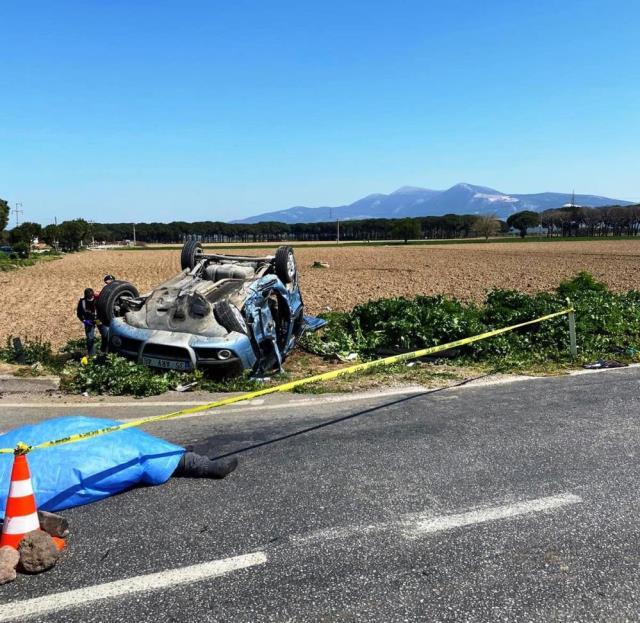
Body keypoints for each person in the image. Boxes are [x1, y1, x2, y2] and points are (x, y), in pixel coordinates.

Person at [76, 287, 108, 356]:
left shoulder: (98, 300)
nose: (90, 297)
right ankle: (92, 355)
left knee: (105, 334)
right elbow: (79, 313)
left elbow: (105, 309)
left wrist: (103, 319)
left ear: (93, 294)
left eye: (91, 296)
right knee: (90, 338)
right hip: (89, 321)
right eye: (88, 296)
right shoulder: (82, 302)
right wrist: (84, 320)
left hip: (98, 320)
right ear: (85, 295)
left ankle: (103, 350)